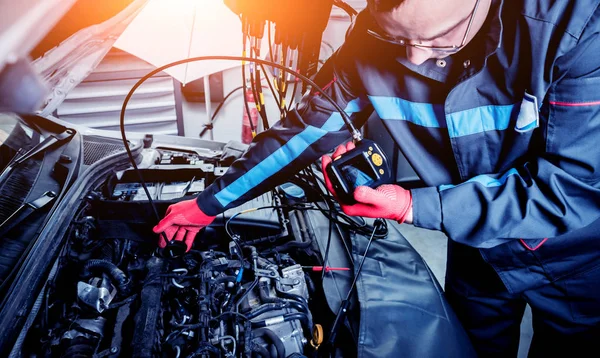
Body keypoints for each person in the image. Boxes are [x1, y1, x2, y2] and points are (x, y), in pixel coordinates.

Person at [153, 0, 600, 355]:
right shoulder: (370, 40)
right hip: (476, 258)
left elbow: (571, 187)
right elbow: (306, 131)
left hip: (574, 261)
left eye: (441, 39)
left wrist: (416, 206)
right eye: (396, 37)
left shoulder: (574, 29)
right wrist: (208, 205)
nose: (414, 57)